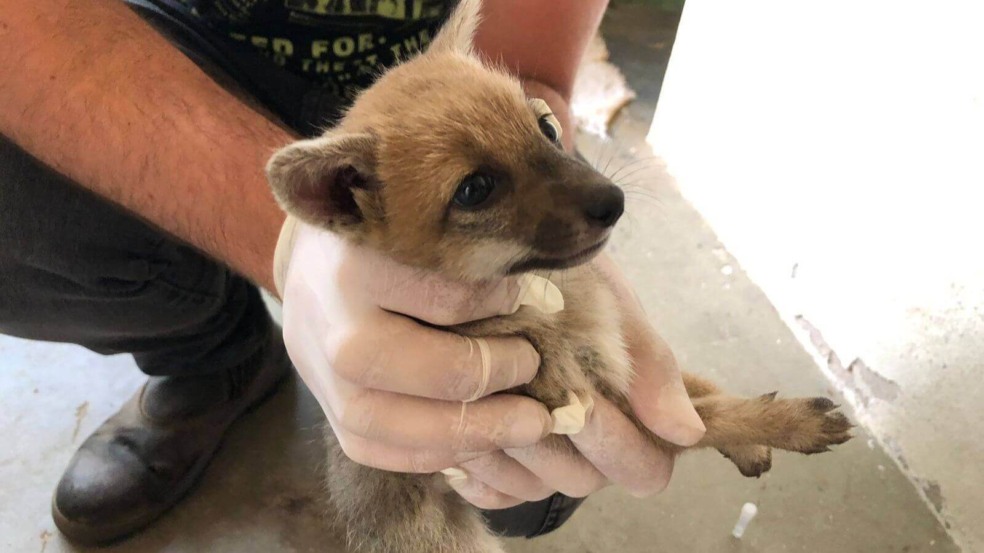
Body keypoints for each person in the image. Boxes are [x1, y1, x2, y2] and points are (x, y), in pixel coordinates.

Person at [0, 0, 706, 545]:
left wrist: (536, 254)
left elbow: (530, 72)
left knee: (518, 475)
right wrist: (280, 238)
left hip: (431, 87)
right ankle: (214, 352)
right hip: (165, 60)